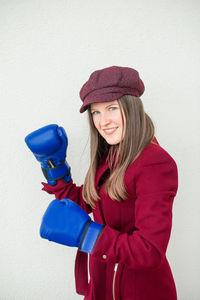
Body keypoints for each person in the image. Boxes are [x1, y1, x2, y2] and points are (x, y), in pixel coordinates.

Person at [25, 66, 178, 300]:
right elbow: (89, 202)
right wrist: (54, 167)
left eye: (112, 108)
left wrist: (88, 234)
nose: (103, 121)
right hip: (103, 283)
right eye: (95, 112)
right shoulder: (111, 155)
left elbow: (149, 251)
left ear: (132, 108)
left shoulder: (155, 163)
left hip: (137, 291)